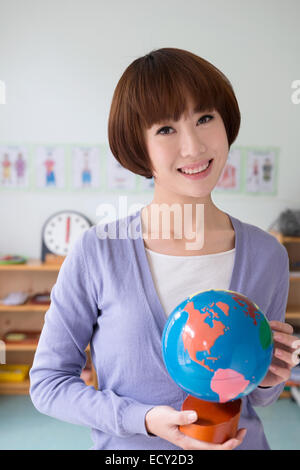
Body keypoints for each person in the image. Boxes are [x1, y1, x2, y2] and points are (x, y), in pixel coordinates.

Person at [29, 47, 299, 450]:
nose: (193, 147)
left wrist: (267, 376)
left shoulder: (267, 255)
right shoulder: (97, 252)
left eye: (205, 118)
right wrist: (144, 420)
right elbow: (48, 383)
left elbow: (259, 396)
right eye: (166, 129)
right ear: (138, 146)